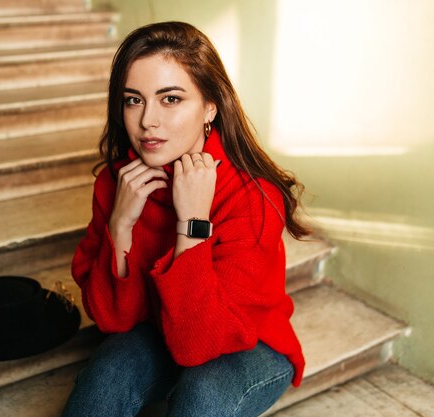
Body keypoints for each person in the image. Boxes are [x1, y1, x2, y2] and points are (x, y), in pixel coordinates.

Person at [62, 21, 310, 417]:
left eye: (171, 99)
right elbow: (112, 320)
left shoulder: (252, 195)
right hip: (156, 325)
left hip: (249, 340)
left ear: (210, 106)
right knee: (105, 377)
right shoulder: (119, 183)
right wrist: (119, 227)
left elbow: (197, 345)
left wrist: (192, 222)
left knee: (202, 397)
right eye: (133, 100)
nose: (147, 122)